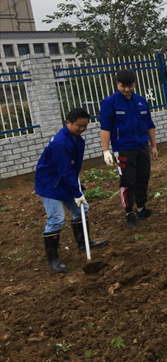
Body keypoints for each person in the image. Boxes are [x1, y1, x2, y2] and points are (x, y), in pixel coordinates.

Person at [35, 108, 108, 273]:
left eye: (85, 126)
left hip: (65, 181)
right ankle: (53, 260)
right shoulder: (60, 144)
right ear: (68, 123)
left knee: (82, 209)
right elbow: (64, 171)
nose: (82, 129)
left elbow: (70, 168)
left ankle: (84, 243)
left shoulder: (75, 139)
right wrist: (77, 192)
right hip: (50, 185)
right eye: (79, 126)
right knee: (56, 219)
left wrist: (76, 186)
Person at [100, 70, 158, 229]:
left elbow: (149, 124)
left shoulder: (141, 101)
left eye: (130, 86)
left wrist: (153, 146)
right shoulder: (109, 103)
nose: (126, 89)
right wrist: (106, 150)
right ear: (117, 84)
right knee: (127, 181)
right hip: (124, 148)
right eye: (123, 86)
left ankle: (141, 208)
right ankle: (129, 213)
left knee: (143, 178)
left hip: (142, 146)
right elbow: (105, 128)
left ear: (135, 84)